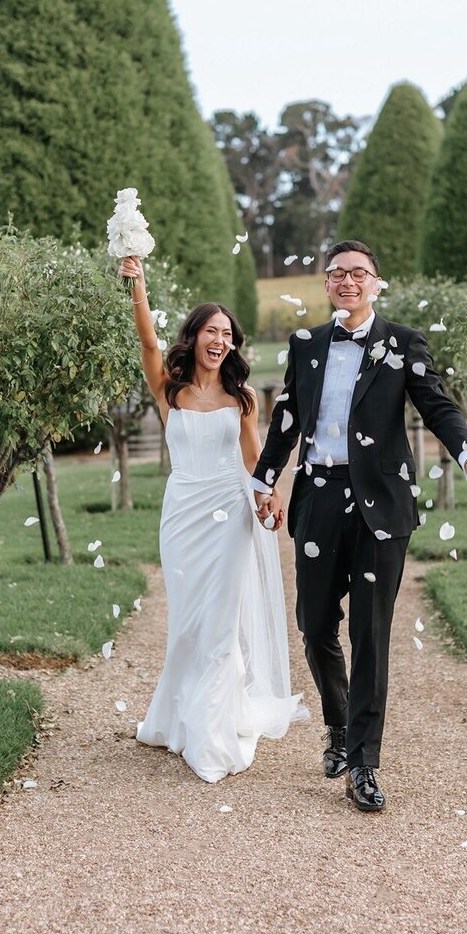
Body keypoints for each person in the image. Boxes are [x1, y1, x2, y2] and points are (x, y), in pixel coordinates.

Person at [252, 240, 467, 812]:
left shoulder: (404, 342)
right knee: (314, 624)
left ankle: (364, 764)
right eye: (338, 273)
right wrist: (263, 480)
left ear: (376, 283)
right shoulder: (306, 345)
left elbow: (436, 406)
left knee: (370, 633)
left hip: (381, 509)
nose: (348, 281)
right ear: (326, 283)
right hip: (317, 497)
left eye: (359, 273)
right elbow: (287, 416)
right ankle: (338, 726)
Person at [119, 255, 308, 784]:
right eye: (211, 330)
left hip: (230, 514)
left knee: (221, 623)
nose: (220, 340)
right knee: (187, 619)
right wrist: (138, 286)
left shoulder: (242, 398)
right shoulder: (170, 390)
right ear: (195, 336)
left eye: (227, 333)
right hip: (182, 514)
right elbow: (149, 345)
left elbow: (254, 463)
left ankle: (214, 730)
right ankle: (178, 717)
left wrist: (268, 499)